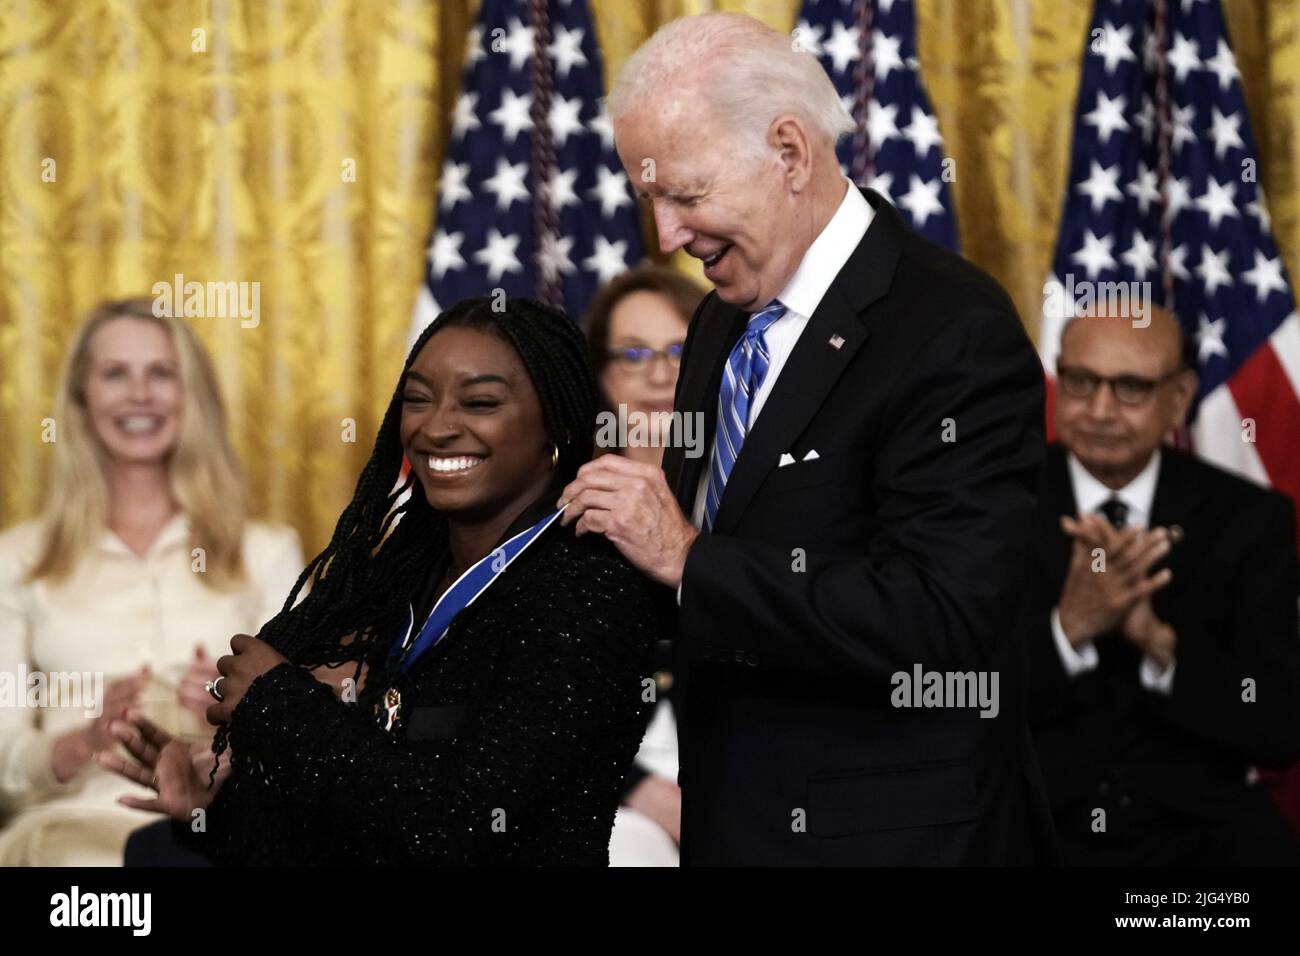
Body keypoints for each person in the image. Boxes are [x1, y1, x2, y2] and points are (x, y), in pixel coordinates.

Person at [558, 12, 1058, 865]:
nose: (669, 236)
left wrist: (688, 558)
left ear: (789, 152)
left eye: (685, 194)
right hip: (734, 824)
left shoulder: (951, 327)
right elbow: (699, 580)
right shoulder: (721, 321)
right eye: (653, 202)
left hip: (889, 843)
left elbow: (946, 617)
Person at [101, 296, 658, 865]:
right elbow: (354, 826)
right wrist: (211, 808)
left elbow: (468, 825)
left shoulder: (589, 589)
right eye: (417, 399)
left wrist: (282, 707)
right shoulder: (400, 578)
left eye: (481, 402)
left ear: (554, 428)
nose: (437, 426)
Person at [0, 298, 302, 866]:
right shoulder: (16, 560)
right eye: (116, 373)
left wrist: (238, 711)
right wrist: (77, 744)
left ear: (193, 398)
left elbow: (316, 734)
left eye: (161, 373)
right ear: (81, 401)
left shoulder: (267, 551)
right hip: (72, 832)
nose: (140, 394)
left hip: (226, 828)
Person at [1027, 305, 1300, 865]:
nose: (1100, 410)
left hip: (1200, 843)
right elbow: (951, 702)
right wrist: (1069, 629)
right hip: (1034, 832)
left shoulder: (1249, 518)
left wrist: (1158, 643)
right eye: (1080, 382)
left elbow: (1277, 727)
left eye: (1130, 388)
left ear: (1179, 397)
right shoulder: (994, 503)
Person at [583, 266, 706, 865]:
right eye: (634, 353)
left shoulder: (755, 497)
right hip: (608, 798)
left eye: (681, 349)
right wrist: (638, 790)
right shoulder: (563, 512)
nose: (660, 374)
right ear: (602, 376)